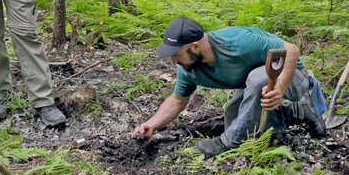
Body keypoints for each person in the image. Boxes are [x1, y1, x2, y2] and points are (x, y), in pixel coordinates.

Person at [132, 17, 326, 157]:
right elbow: (177, 100)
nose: (174, 61)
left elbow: (291, 50)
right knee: (235, 115)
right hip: (253, 85)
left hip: (290, 75)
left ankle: (229, 143)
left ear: (195, 47)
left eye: (176, 54)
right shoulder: (188, 67)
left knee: (258, 83)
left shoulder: (239, 41)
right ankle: (299, 111)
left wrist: (281, 88)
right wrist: (152, 124)